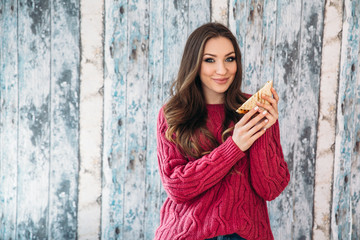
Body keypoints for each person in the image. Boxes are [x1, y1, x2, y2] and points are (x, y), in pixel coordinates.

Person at [154, 22, 290, 240]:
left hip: (246, 234)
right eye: (210, 60)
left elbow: (270, 189)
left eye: (230, 58)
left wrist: (264, 127)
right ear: (194, 64)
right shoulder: (173, 114)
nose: (222, 70)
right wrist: (233, 148)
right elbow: (176, 187)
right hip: (188, 234)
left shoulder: (255, 108)